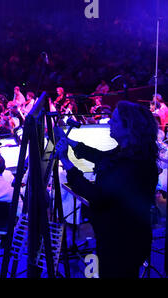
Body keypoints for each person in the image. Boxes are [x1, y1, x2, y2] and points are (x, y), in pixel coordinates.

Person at [55, 101, 159, 278]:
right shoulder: (129, 151)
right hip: (120, 236)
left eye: (115, 120)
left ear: (129, 128)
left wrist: (66, 161)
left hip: (123, 241)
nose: (110, 122)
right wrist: (69, 141)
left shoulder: (133, 165)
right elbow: (102, 157)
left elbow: (97, 196)